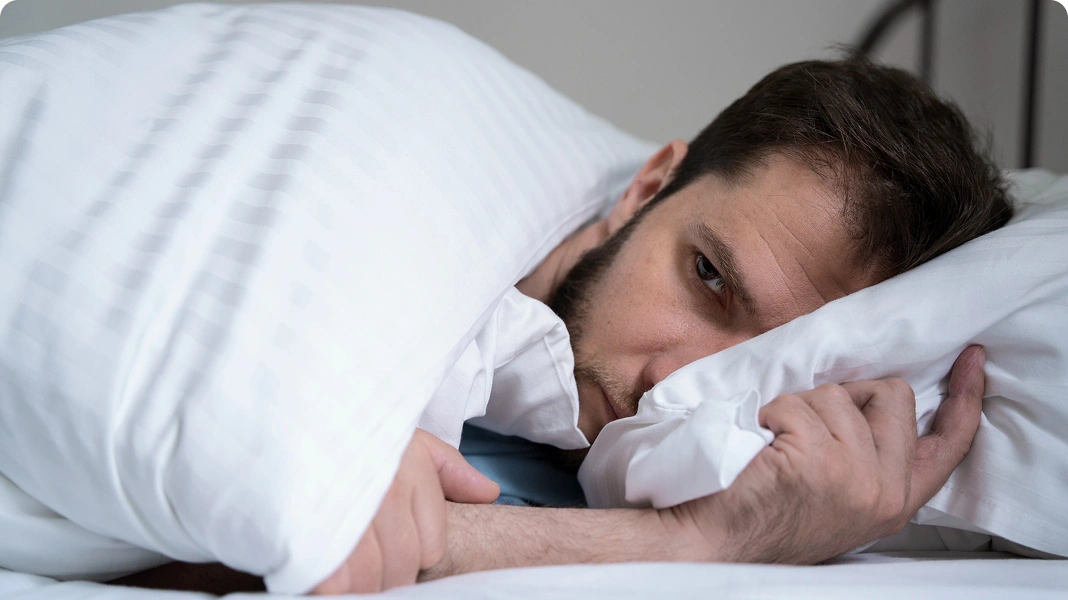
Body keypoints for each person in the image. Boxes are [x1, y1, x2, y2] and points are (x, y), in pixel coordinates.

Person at [115, 58, 1011, 594]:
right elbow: (208, 538)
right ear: (650, 186)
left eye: (765, 367)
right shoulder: (402, 243)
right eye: (706, 278)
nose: (675, 383)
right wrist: (699, 543)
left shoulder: (676, 482)